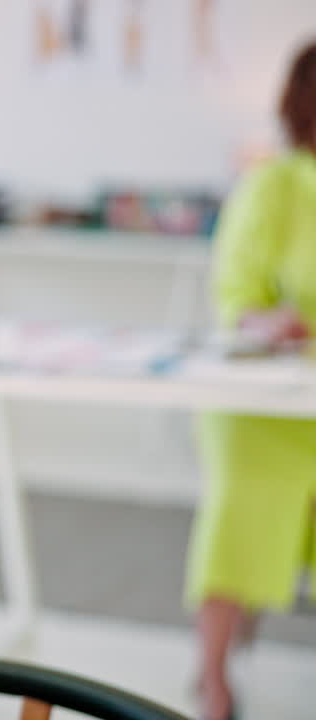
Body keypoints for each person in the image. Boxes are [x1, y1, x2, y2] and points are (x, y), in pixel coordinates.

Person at [188, 39, 316, 720]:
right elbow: (236, 294)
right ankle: (212, 678)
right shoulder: (273, 185)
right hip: (263, 411)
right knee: (239, 538)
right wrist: (270, 321)